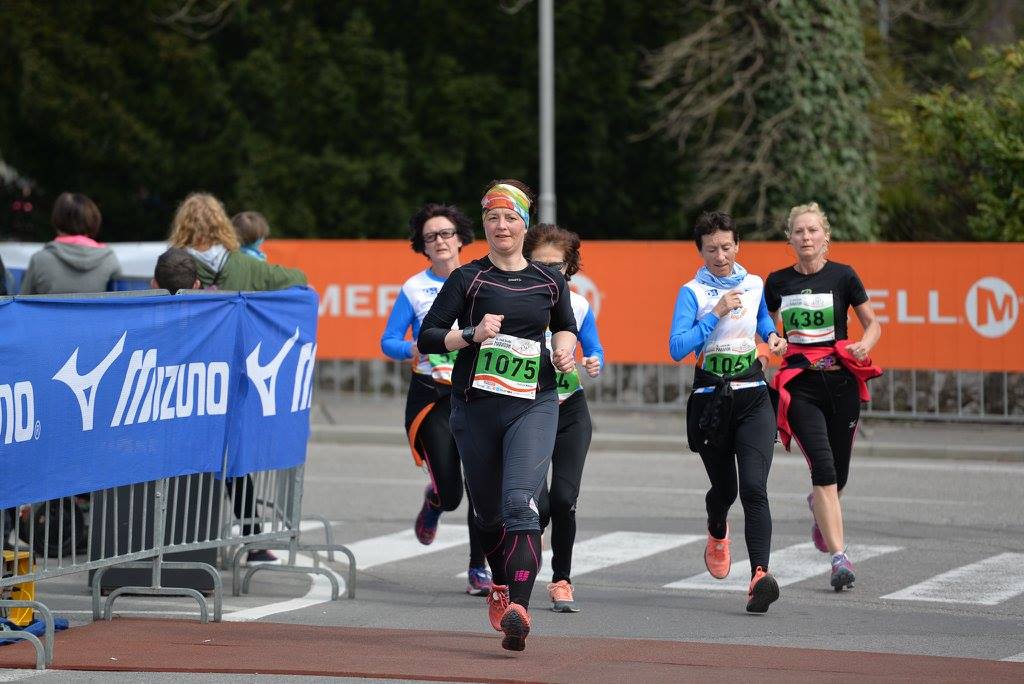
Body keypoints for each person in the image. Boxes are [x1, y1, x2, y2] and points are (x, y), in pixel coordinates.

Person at [418, 180, 578, 651]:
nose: (501, 226)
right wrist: (471, 333)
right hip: (475, 407)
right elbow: (429, 336)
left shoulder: (549, 280)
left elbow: (566, 326)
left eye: (510, 217)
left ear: (524, 224)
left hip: (534, 403)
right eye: (492, 218)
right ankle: (501, 584)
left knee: (519, 504)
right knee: (488, 515)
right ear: (484, 225)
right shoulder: (468, 278)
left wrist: (564, 347)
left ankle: (519, 611)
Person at [169, 192, 307, 563]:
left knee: (181, 461)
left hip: (185, 377)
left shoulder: (174, 264)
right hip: (232, 377)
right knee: (233, 461)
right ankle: (253, 537)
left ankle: (182, 542)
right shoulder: (245, 264)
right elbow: (298, 280)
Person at [668, 210, 784, 614]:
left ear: (738, 245)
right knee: (725, 491)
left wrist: (772, 336)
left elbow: (762, 318)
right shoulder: (692, 292)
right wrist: (714, 313)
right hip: (711, 401)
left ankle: (759, 577)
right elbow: (677, 348)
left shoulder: (754, 283)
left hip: (753, 397)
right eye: (711, 249)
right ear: (700, 251)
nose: (720, 256)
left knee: (754, 488)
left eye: (726, 247)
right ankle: (717, 529)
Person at [765, 202, 881, 592]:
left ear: (825, 236)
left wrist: (865, 344)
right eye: (799, 231)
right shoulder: (777, 282)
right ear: (790, 239)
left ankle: (819, 507)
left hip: (841, 383)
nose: (806, 237)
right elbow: (766, 328)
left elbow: (873, 323)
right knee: (824, 468)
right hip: (801, 386)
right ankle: (839, 559)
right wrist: (774, 340)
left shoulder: (843, 276)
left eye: (813, 230)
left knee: (839, 474)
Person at [379, 203, 492, 596]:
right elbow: (388, 340)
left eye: (446, 233)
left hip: (477, 392)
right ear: (423, 247)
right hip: (432, 395)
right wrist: (411, 348)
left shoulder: (481, 279)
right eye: (431, 237)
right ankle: (435, 502)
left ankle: (479, 568)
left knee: (481, 489)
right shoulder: (414, 289)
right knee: (451, 492)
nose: (440, 241)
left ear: (460, 238)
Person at [522, 223, 603, 613]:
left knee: (565, 499)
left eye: (555, 266)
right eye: (539, 264)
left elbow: (595, 347)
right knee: (536, 504)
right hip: (526, 410)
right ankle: (519, 557)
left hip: (570, 409)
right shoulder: (514, 300)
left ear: (569, 267)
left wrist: (593, 360)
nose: (548, 272)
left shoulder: (579, 305)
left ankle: (561, 580)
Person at [168, 193, 306, 291]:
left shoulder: (170, 266)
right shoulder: (249, 265)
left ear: (181, 225)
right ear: (221, 222)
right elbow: (299, 278)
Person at [19, 192, 121, 294]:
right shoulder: (109, 259)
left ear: (57, 219)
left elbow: (22, 301)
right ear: (93, 220)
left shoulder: (39, 260)